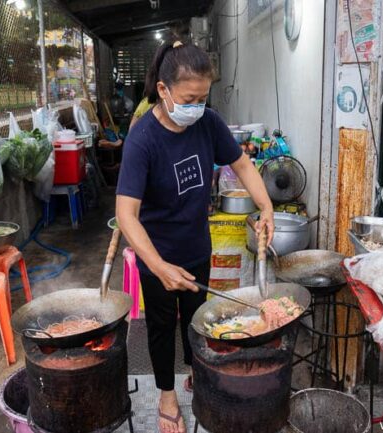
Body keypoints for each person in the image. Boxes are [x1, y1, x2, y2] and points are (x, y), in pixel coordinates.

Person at [115, 41, 275, 433]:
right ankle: (167, 395)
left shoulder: (208, 122)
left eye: (204, 97)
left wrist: (266, 206)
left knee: (196, 319)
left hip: (195, 247)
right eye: (190, 98)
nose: (198, 106)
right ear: (165, 90)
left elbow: (241, 163)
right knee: (160, 325)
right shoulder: (143, 138)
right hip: (157, 254)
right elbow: (125, 214)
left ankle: (194, 373)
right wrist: (157, 266)